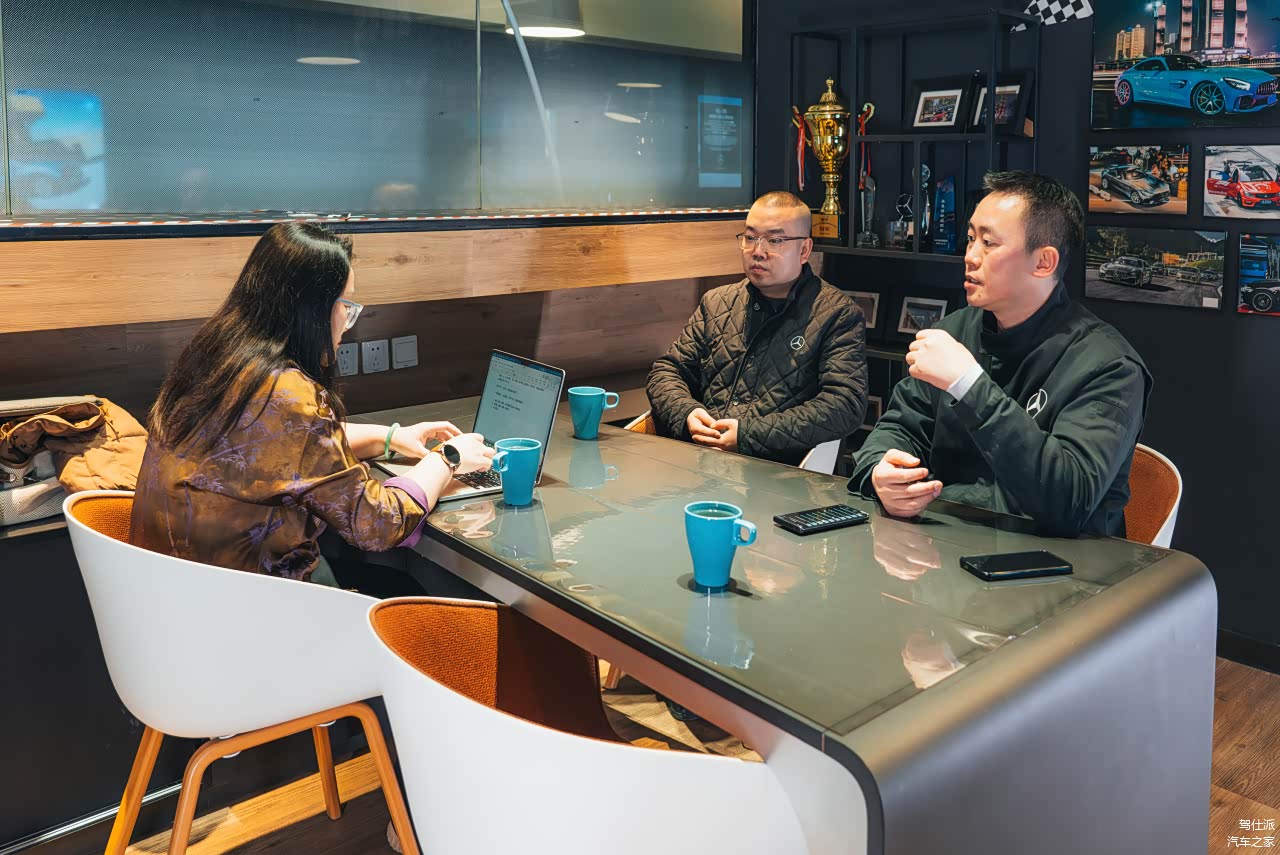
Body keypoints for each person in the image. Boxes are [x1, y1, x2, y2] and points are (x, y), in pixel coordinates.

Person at [131, 222, 495, 584]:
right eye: (346, 305)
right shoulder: (284, 392)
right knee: (409, 585)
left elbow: (276, 443)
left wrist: (388, 437)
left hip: (177, 589)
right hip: (248, 598)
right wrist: (447, 459)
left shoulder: (217, 357)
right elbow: (377, 525)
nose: (348, 321)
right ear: (313, 309)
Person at [849, 171, 1151, 537]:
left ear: (1044, 262)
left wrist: (969, 385)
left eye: (989, 243)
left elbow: (1070, 500)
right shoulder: (954, 333)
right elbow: (899, 427)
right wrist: (880, 472)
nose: (970, 256)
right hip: (945, 545)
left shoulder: (1108, 365)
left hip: (1059, 560)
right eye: (971, 238)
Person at [646, 191, 867, 466]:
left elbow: (845, 405)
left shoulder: (837, 314)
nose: (758, 251)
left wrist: (747, 435)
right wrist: (687, 413)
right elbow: (667, 371)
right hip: (701, 462)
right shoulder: (717, 302)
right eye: (750, 238)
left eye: (775, 241)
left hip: (778, 472)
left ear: (804, 250)